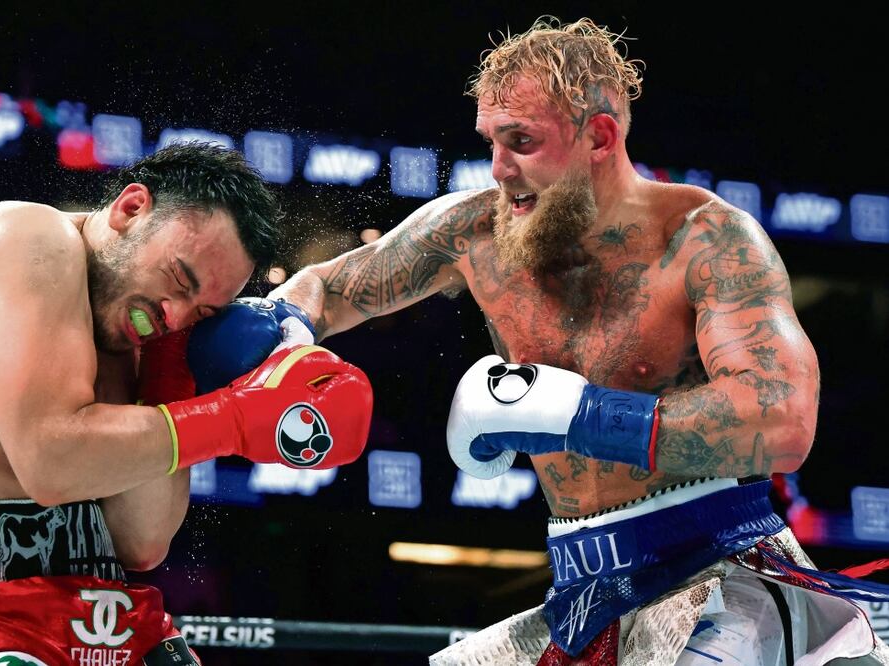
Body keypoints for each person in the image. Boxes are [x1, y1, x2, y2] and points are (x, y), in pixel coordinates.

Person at [269, 17, 889, 665]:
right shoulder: (474, 233)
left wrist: (583, 416)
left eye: (523, 142)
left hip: (718, 573)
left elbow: (783, 419)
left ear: (599, 136)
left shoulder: (705, 239)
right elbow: (329, 290)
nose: (500, 168)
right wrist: (277, 329)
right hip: (584, 592)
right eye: (492, 142)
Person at [0, 142, 374, 666]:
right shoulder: (25, 235)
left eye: (201, 309)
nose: (174, 313)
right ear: (131, 208)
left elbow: (141, 541)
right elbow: (51, 462)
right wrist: (236, 417)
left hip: (97, 605)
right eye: (179, 279)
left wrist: (171, 369)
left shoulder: (145, 333)